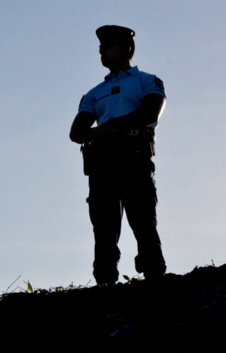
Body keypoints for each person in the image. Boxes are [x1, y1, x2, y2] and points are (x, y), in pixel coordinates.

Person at [69, 25, 167, 285]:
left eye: (109, 45)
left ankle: (155, 275)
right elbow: (77, 131)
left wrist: (109, 127)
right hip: (103, 161)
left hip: (134, 156)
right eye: (101, 47)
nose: (102, 50)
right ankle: (104, 280)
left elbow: (150, 114)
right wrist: (99, 134)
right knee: (103, 226)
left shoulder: (146, 80)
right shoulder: (93, 93)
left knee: (143, 218)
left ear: (127, 47)